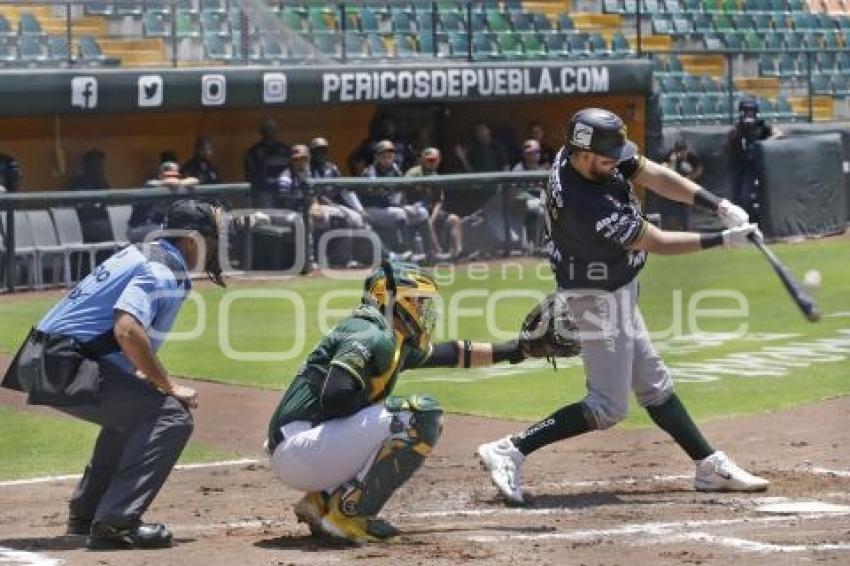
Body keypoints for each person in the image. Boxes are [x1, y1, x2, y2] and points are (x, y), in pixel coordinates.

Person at [477, 107, 769, 506]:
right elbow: (659, 242)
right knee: (607, 406)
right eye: (606, 156)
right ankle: (510, 449)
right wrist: (723, 240)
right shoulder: (587, 203)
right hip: (597, 297)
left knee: (653, 384)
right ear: (581, 155)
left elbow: (649, 172)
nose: (616, 161)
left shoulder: (581, 156)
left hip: (615, 284)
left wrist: (716, 204)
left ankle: (707, 465)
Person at [1, 200, 226, 550]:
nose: (215, 247)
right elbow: (126, 329)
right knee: (169, 416)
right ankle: (116, 522)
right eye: (212, 238)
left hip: (48, 356)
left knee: (140, 408)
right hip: (62, 362)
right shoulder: (161, 269)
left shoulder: (142, 253)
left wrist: (151, 382)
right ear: (191, 240)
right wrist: (169, 385)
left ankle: (88, 514)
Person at [267, 262, 539, 543]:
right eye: (417, 301)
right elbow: (335, 396)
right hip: (300, 450)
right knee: (419, 415)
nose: (422, 310)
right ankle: (348, 514)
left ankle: (321, 500)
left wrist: (518, 348)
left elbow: (451, 354)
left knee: (389, 420)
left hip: (303, 450)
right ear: (393, 299)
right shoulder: (369, 332)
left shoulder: (390, 337)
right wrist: (380, 415)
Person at [361, 140, 429, 257]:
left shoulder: (395, 169)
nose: (387, 157)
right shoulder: (370, 172)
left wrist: (405, 204)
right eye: (383, 154)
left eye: (390, 154)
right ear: (377, 156)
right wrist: (396, 202)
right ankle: (403, 251)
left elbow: (401, 189)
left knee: (422, 213)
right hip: (371, 208)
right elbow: (375, 195)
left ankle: (428, 252)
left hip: (390, 207)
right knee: (399, 214)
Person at [728, 98, 782, 223]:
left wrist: (763, 144)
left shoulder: (761, 125)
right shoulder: (738, 127)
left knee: (748, 196)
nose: (749, 114)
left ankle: (755, 221)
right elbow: (730, 142)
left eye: (751, 111)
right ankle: (741, 223)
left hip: (756, 165)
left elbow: (778, 133)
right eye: (746, 111)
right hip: (740, 166)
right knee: (738, 197)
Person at [405, 147, 463, 260]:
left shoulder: (435, 176)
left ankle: (456, 254)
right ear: (422, 160)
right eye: (428, 160)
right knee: (425, 218)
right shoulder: (414, 173)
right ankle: (435, 254)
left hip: (431, 211)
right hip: (415, 213)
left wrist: (433, 217)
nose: (431, 162)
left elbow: (438, 201)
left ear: (439, 160)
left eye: (434, 160)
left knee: (454, 219)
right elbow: (403, 195)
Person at [127, 162, 199, 243]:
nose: (172, 178)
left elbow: (195, 180)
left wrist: (180, 183)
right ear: (160, 176)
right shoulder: (152, 185)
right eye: (168, 175)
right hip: (138, 228)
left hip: (156, 227)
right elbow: (169, 182)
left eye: (175, 176)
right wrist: (178, 183)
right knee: (172, 233)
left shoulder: (177, 187)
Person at [245, 118, 291, 208]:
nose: (269, 131)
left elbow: (291, 167)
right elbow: (249, 173)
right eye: (266, 128)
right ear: (261, 131)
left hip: (283, 190)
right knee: (267, 218)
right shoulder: (254, 150)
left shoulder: (284, 149)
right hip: (263, 191)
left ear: (276, 130)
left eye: (271, 128)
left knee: (285, 217)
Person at [70, 149, 113, 244]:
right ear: (87, 166)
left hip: (105, 221)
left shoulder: (103, 184)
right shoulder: (78, 183)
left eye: (101, 165)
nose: (99, 169)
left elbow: (111, 204)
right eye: (96, 165)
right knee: (107, 229)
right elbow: (81, 210)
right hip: (84, 223)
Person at [661, 137, 703, 230]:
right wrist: (670, 164)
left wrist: (689, 178)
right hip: (673, 186)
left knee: (686, 209)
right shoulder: (671, 155)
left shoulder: (691, 156)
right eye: (677, 151)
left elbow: (699, 170)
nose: (679, 154)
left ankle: (686, 229)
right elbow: (662, 166)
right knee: (670, 209)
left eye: (682, 151)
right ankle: (670, 228)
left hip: (687, 187)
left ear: (686, 150)